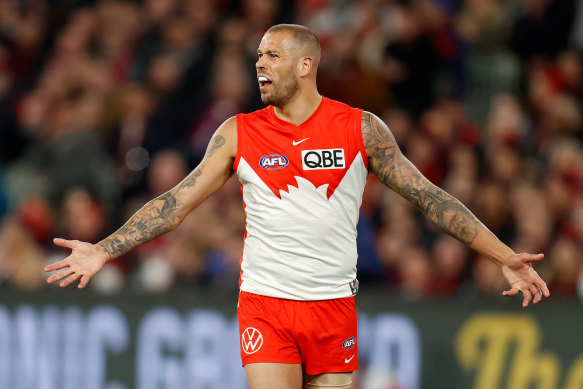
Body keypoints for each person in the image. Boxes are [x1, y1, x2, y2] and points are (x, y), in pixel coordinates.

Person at [45, 24, 550, 389]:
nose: (259, 64)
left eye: (272, 55)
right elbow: (176, 202)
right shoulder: (239, 132)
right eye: (258, 56)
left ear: (305, 65)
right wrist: (105, 250)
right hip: (266, 304)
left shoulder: (361, 128)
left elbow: (430, 198)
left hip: (333, 307)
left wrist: (502, 255)